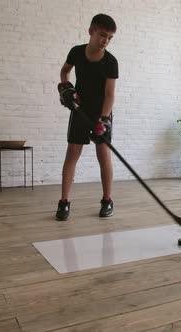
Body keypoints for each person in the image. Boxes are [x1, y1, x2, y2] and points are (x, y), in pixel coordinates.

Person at [56, 13, 118, 221]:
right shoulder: (76, 52)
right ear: (91, 31)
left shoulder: (111, 62)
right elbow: (64, 72)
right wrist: (65, 88)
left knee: (103, 154)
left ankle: (107, 200)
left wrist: (103, 119)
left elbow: (110, 95)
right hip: (79, 109)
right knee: (73, 152)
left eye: (109, 37)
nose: (105, 40)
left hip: (102, 112)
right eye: (102, 35)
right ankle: (64, 202)